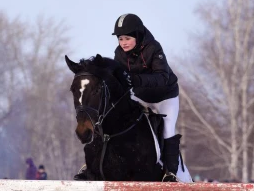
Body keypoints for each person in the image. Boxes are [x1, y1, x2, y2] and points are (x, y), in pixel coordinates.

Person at [75, 13, 182, 182]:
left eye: (127, 38)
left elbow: (163, 78)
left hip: (164, 97)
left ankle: (171, 172)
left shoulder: (154, 48)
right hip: (140, 95)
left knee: (168, 128)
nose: (123, 43)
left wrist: (135, 79)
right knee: (113, 117)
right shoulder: (119, 53)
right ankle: (91, 164)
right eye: (120, 39)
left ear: (138, 36)